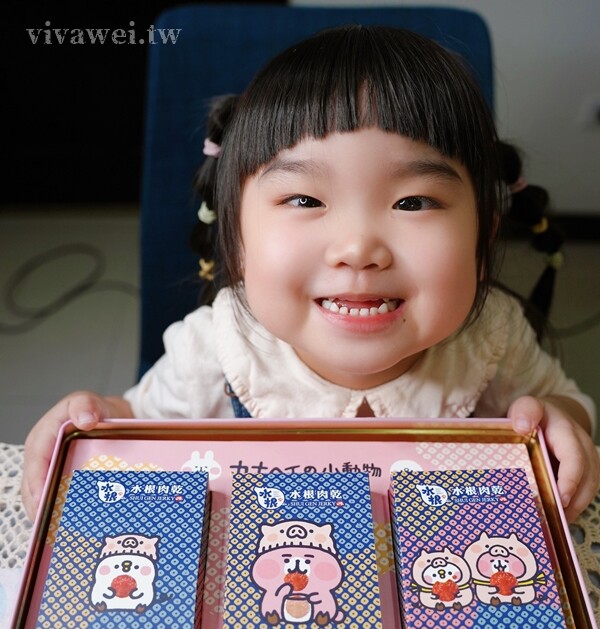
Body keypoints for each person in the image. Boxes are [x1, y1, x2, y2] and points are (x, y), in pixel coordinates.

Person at [22, 25, 599, 522]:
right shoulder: (217, 348)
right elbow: (135, 428)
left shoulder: (493, 335)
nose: (357, 249)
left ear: (485, 234)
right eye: (304, 200)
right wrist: (92, 419)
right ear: (237, 237)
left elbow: (566, 404)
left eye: (413, 202)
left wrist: (561, 422)